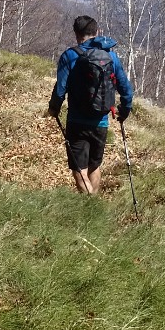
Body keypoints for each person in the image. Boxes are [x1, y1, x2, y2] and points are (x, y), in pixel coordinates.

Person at [48, 15, 133, 195]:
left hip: (77, 122)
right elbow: (125, 87)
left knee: (80, 170)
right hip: (101, 121)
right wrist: (125, 110)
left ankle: (89, 207)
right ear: (97, 32)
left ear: (77, 34)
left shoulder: (70, 56)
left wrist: (54, 108)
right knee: (94, 166)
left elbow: (60, 89)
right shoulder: (111, 56)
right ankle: (93, 205)